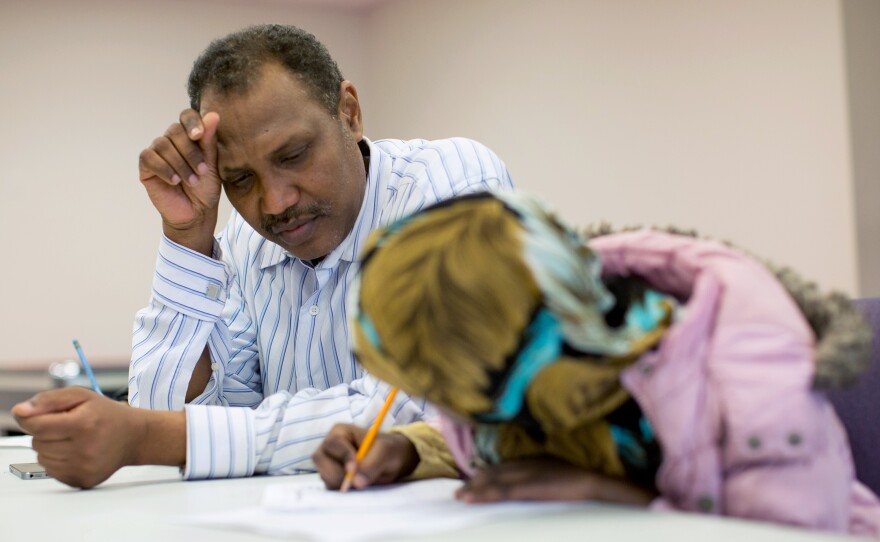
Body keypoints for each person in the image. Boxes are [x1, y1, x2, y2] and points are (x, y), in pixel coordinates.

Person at [12, 24, 513, 489]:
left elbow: (422, 406)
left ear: (350, 113)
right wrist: (188, 238)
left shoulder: (451, 181)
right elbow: (166, 408)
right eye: (240, 180)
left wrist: (152, 439)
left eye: (292, 156)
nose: (275, 204)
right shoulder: (247, 245)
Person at [311, 191, 880, 535]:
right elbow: (499, 437)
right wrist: (408, 450)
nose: (485, 424)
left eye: (501, 404)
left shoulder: (747, 378)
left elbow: (796, 532)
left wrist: (614, 498)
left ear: (560, 337)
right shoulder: (525, 371)